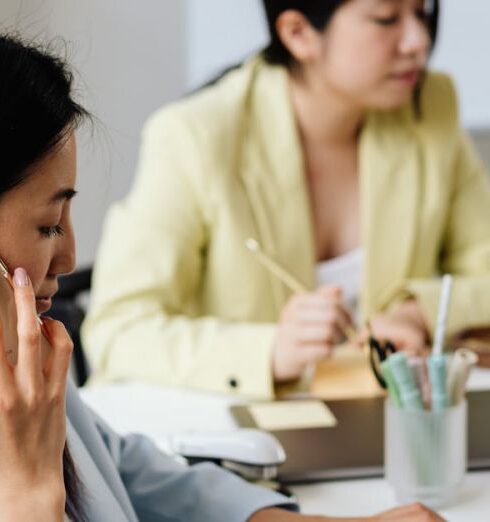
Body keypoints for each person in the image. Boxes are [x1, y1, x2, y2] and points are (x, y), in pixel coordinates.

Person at [0, 31, 447, 522]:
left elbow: (115, 469)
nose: (68, 259)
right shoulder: (199, 135)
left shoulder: (23, 376)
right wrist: (28, 492)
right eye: (48, 226)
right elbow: (122, 329)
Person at [82, 0, 490, 398]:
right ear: (298, 34)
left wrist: (420, 312)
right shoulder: (197, 135)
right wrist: (270, 350)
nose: (418, 40)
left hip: (378, 427)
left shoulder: (428, 107)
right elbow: (117, 329)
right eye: (386, 19)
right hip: (235, 437)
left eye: (421, 12)